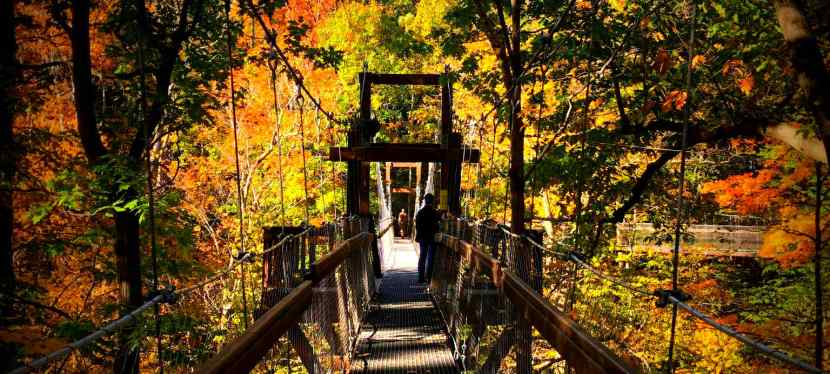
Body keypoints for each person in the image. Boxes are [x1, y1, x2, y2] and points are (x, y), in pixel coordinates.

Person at [415, 194, 441, 283]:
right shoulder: (435, 212)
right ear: (432, 201)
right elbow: (438, 225)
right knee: (431, 258)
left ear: (425, 201)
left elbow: (417, 226)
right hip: (432, 238)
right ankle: (429, 278)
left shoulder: (420, 212)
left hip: (422, 237)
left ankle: (421, 278)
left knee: (422, 256)